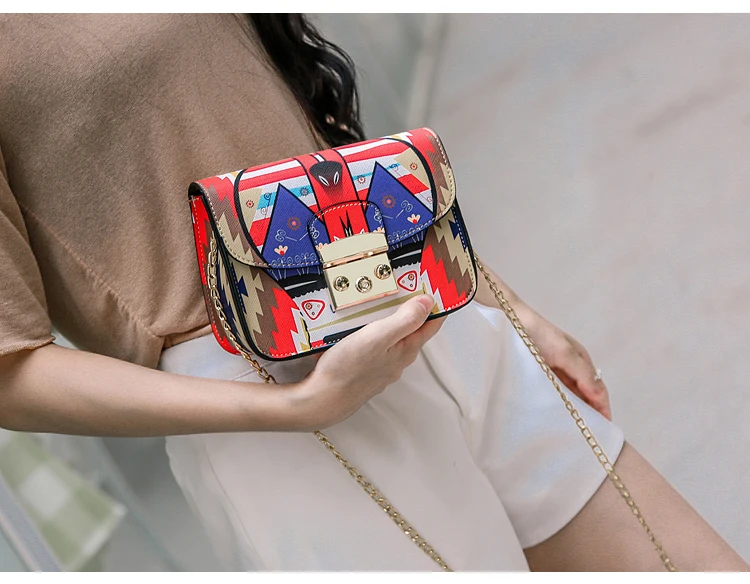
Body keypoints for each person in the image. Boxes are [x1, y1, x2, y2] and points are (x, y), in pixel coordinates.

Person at [0, 14, 746, 572]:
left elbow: (319, 142)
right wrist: (295, 408)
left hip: (425, 303)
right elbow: (12, 365)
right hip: (267, 400)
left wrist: (507, 304)